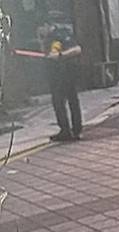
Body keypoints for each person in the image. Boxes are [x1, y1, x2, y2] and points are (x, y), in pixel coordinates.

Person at [38, 14, 82, 142]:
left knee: (69, 101)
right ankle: (66, 130)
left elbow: (77, 49)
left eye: (40, 28)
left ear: (46, 25)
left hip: (66, 73)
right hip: (56, 75)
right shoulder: (48, 38)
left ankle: (74, 130)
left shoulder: (60, 34)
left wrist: (61, 55)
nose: (40, 31)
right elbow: (45, 54)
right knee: (59, 103)